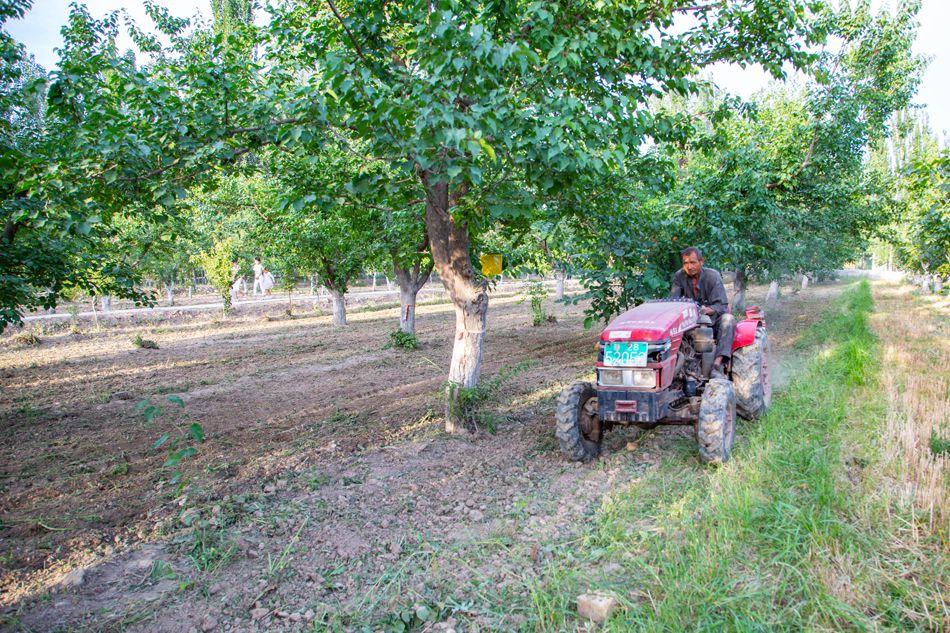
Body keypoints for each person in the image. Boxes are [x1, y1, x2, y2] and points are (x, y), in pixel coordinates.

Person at [670, 246, 735, 373]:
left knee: (728, 319)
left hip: (712, 320)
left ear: (701, 261)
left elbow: (721, 305)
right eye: (686, 263)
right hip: (689, 322)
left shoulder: (712, 276)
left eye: (693, 262)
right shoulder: (679, 276)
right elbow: (673, 302)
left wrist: (707, 310)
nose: (689, 266)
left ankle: (718, 363)